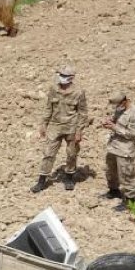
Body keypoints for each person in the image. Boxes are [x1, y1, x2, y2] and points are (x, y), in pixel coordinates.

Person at [31, 65, 89, 193]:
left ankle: (69, 178)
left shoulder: (79, 92)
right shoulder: (53, 89)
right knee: (48, 153)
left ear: (71, 78)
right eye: (60, 75)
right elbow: (48, 107)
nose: (61, 78)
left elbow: (83, 113)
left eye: (64, 76)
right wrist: (43, 124)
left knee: (71, 154)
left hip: (71, 127)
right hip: (54, 126)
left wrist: (79, 131)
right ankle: (41, 181)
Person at [101, 90, 135, 212]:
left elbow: (132, 134)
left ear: (125, 101)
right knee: (111, 171)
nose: (116, 107)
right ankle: (113, 191)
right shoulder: (120, 109)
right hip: (114, 146)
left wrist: (114, 127)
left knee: (126, 176)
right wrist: (108, 121)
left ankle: (131, 202)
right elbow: (114, 119)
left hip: (125, 149)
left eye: (118, 104)